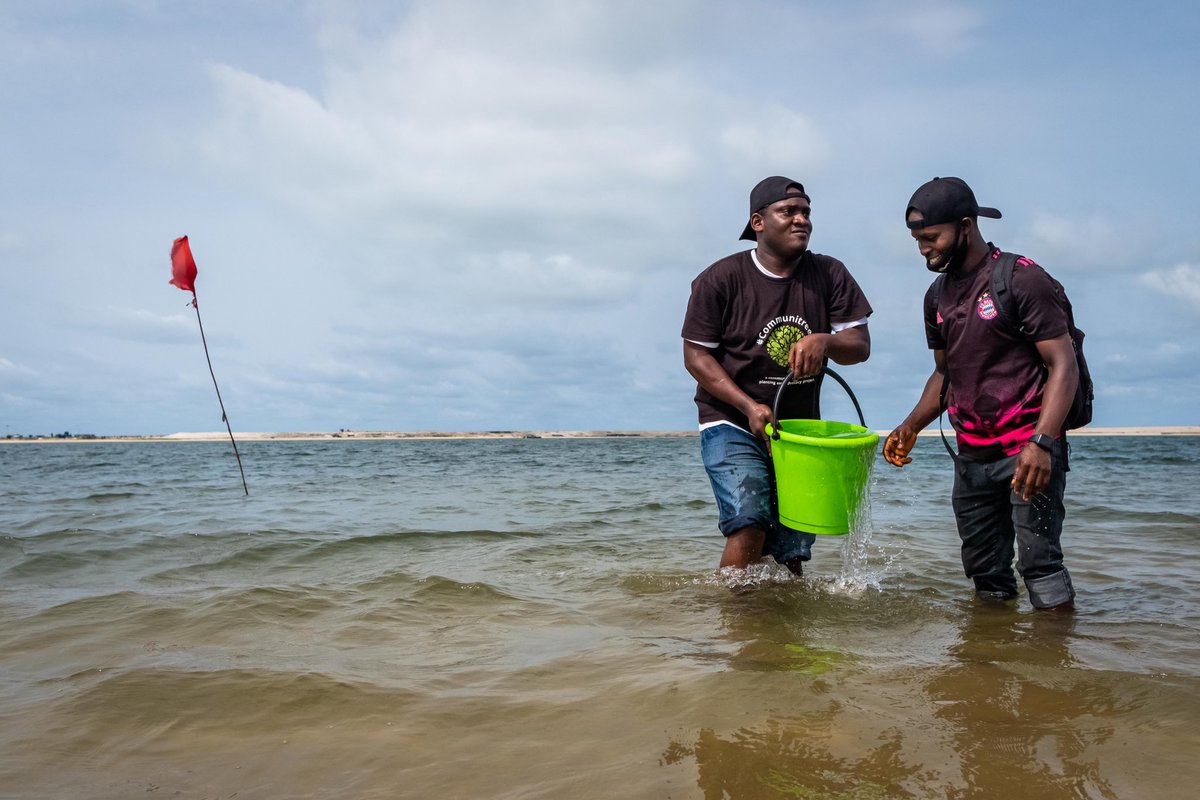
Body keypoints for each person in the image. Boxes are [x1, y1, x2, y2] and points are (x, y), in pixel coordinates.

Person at [883, 177, 1078, 610]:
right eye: (917, 240)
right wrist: (910, 426)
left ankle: (1057, 672)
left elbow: (1063, 364)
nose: (923, 249)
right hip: (972, 457)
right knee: (985, 576)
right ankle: (986, 668)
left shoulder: (1021, 279)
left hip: (1027, 450)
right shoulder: (936, 297)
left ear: (966, 226)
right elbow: (944, 374)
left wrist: (1042, 443)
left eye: (931, 238)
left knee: (1039, 567)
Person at [682, 176, 873, 574]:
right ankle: (732, 620)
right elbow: (696, 356)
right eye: (788, 212)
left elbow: (858, 347)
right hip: (730, 419)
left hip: (798, 427)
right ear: (758, 222)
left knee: (792, 544)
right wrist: (749, 406)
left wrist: (825, 341)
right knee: (749, 521)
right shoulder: (720, 279)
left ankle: (778, 632)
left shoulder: (829, 274)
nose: (801, 220)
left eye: (806, 212)